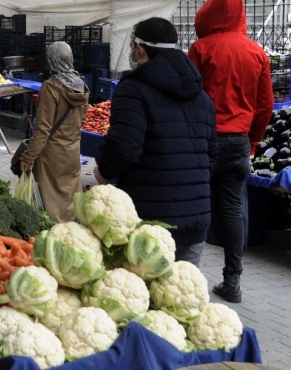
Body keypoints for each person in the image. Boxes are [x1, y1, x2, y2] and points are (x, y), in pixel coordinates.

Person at [93, 18, 218, 265]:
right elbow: (212, 155)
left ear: (140, 49)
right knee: (179, 300)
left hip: (150, 221)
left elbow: (125, 149)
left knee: (146, 299)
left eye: (132, 46)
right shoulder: (202, 97)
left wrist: (103, 172)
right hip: (196, 220)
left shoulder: (132, 91)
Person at [188, 0, 273, 302]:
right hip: (238, 141)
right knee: (232, 209)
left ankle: (188, 277)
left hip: (203, 141)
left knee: (194, 204)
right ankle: (233, 280)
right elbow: (265, 105)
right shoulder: (256, 53)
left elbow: (188, 94)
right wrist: (252, 141)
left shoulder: (200, 48)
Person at [19, 42, 89, 222]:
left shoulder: (50, 87)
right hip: (73, 150)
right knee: (70, 198)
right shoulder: (82, 86)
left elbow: (43, 129)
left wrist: (28, 157)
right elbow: (81, 120)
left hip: (52, 155)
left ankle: (54, 236)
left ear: (51, 60)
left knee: (52, 203)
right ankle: (72, 233)